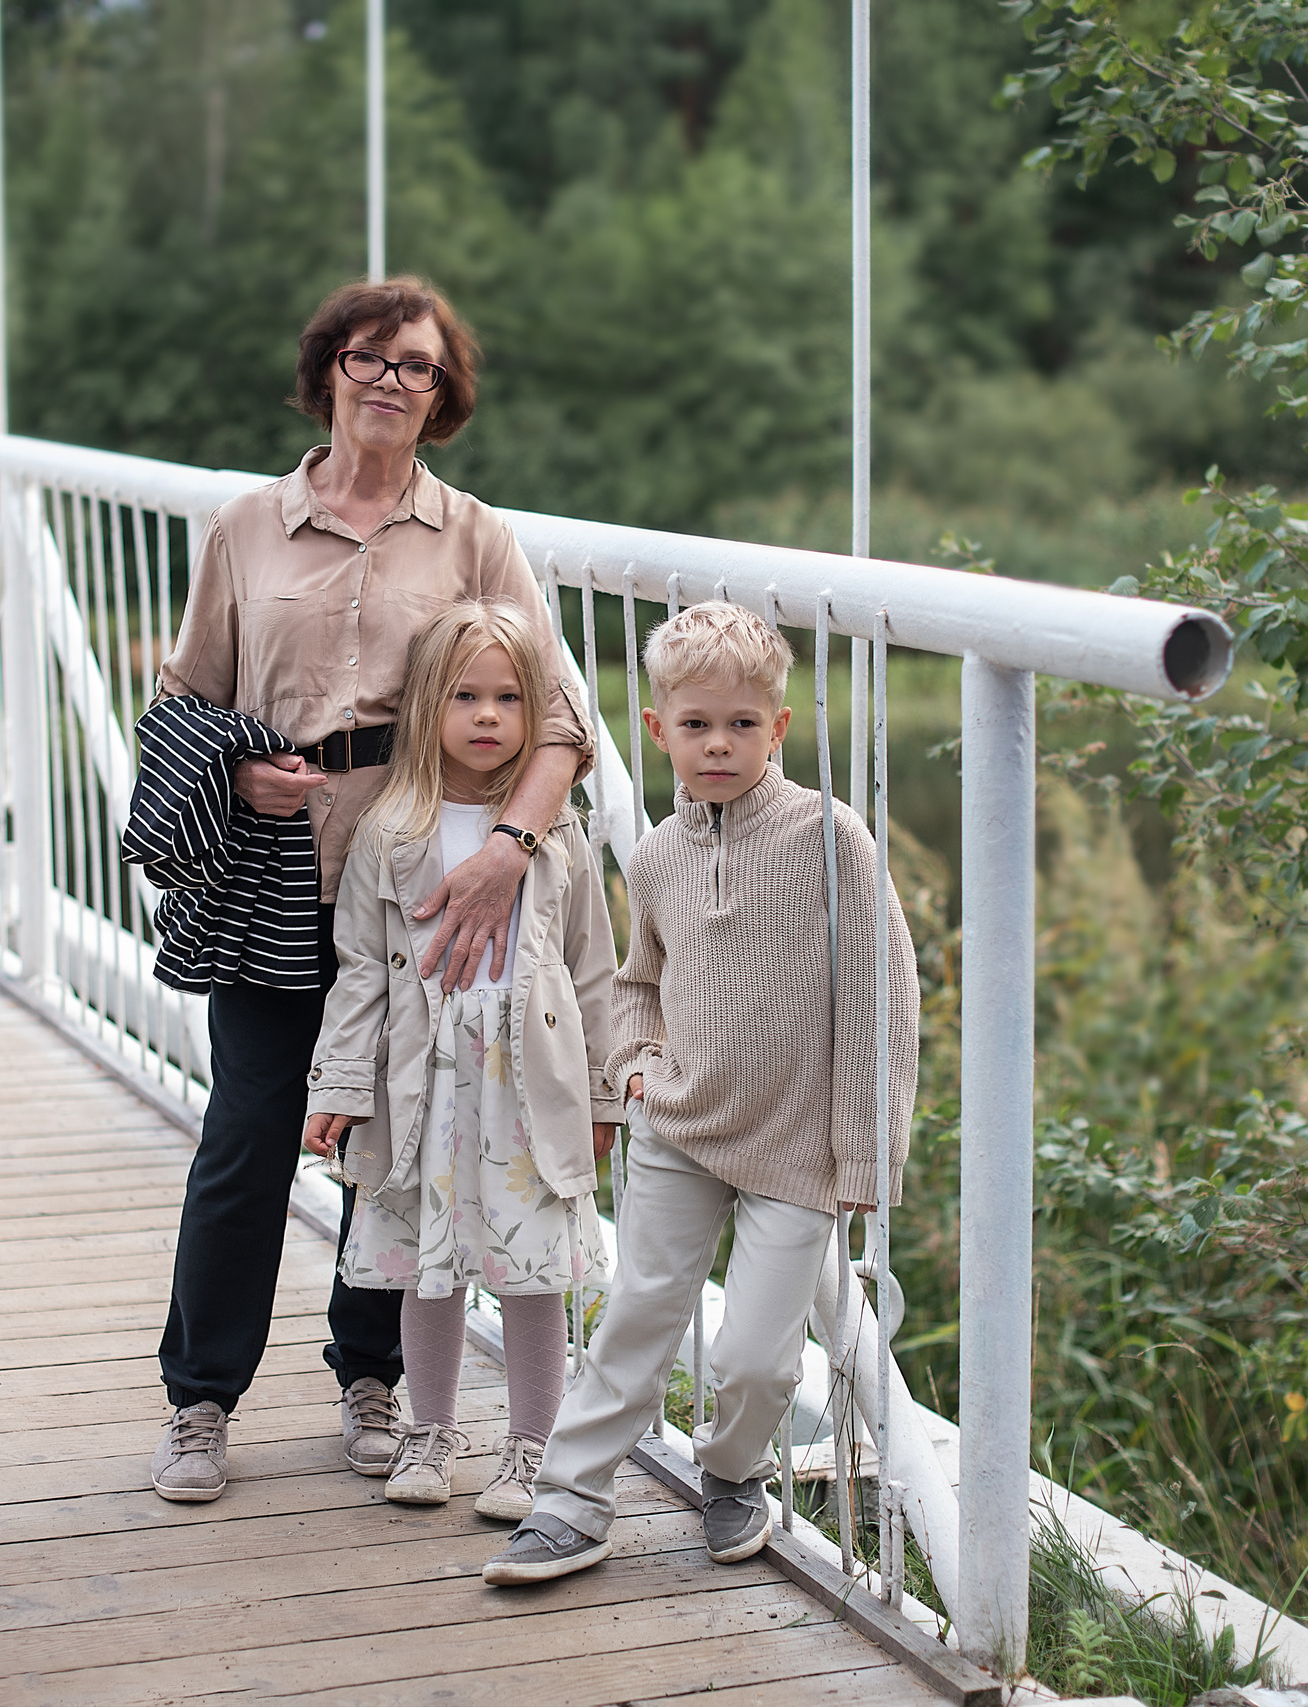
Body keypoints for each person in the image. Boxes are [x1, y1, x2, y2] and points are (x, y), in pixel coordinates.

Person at [144, 278, 592, 1504]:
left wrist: (508, 850)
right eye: (372, 359)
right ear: (327, 366)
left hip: (419, 883)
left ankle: (371, 1378)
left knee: (396, 1140)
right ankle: (200, 1400)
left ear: (445, 396)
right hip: (273, 872)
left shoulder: (474, 537)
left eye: (421, 369)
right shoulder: (246, 525)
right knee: (247, 1136)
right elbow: (186, 701)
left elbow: (557, 724)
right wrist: (240, 770)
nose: (394, 383)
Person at [480, 601, 919, 1585]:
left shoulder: (829, 841)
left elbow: (881, 1000)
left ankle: (731, 1472)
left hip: (796, 1149)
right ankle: (570, 1502)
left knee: (760, 1362)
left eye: (740, 725)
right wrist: (633, 1063)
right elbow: (639, 979)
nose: (717, 745)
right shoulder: (657, 854)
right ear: (656, 729)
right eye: (694, 725)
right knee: (636, 1315)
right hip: (678, 1126)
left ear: (779, 728)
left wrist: (865, 1152)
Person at [301, 599, 622, 1518]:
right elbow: (359, 975)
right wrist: (342, 1086)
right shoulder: (391, 834)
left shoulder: (555, 839)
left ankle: (532, 1449)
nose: (488, 717)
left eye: (511, 699)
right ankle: (429, 1432)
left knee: (531, 1274)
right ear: (428, 708)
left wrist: (604, 1094)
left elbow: (593, 970)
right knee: (422, 1266)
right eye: (467, 696)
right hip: (425, 1085)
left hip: (526, 1084)